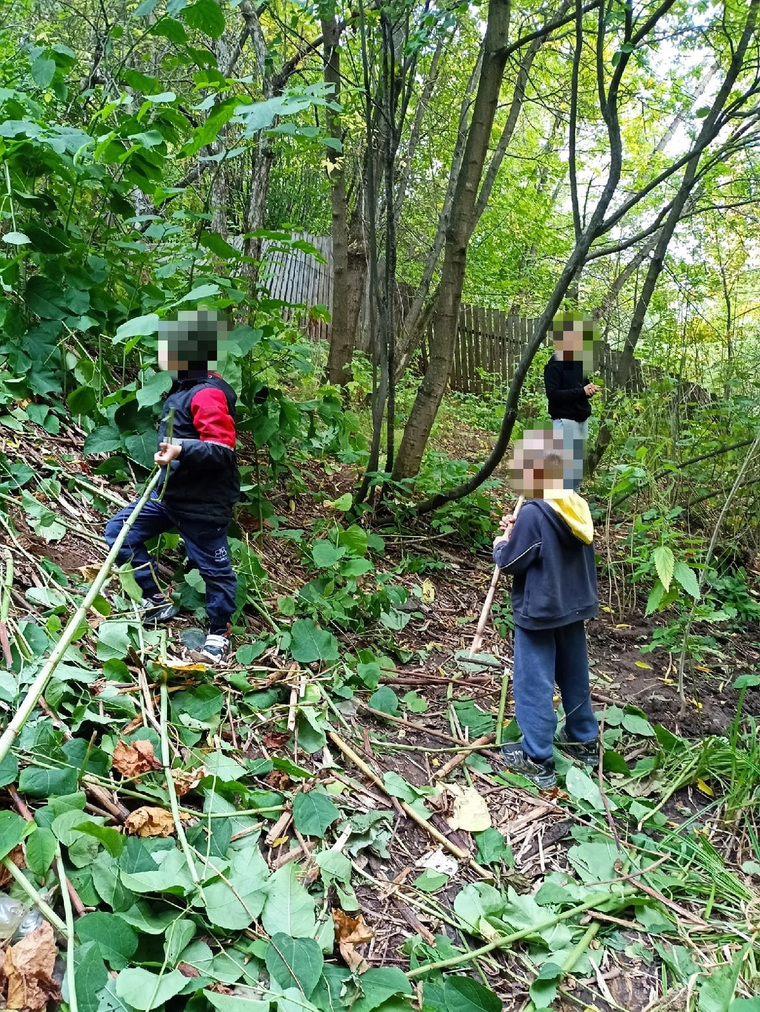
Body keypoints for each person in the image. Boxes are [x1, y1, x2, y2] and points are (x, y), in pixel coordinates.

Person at [105, 310, 240, 662]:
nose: (163, 353)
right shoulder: (183, 389)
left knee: (214, 570)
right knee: (121, 532)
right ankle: (154, 600)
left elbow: (223, 450)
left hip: (203, 503)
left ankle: (218, 633)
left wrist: (182, 449)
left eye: (171, 346)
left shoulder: (207, 394)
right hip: (168, 496)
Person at [492, 428, 599, 788]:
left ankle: (536, 758)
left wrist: (501, 543)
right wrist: (517, 528)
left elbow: (511, 562)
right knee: (574, 674)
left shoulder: (536, 512)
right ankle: (584, 740)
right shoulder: (574, 506)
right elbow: (545, 544)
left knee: (533, 682)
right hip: (573, 610)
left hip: (539, 613)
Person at [544, 313, 601, 492]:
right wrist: (581, 392)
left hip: (581, 420)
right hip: (564, 422)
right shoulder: (554, 365)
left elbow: (581, 389)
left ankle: (574, 506)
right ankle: (557, 508)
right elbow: (553, 395)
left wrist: (588, 390)